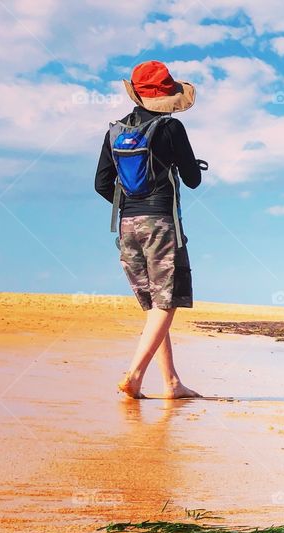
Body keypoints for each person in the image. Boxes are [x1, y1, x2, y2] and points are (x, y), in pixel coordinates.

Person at [95, 61, 203, 399]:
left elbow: (101, 184)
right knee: (166, 302)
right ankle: (135, 376)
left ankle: (171, 382)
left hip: (127, 224)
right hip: (161, 223)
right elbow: (193, 180)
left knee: (156, 305)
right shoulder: (170, 128)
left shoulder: (114, 131)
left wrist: (132, 200)